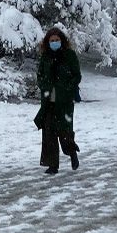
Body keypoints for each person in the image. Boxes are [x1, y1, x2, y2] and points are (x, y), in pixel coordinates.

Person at [35, 28, 82, 175]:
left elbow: (76, 75)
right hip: (49, 99)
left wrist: (67, 88)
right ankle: (52, 164)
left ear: (62, 41)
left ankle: (72, 152)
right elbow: (40, 75)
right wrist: (44, 86)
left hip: (64, 100)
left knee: (65, 130)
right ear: (47, 42)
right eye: (51, 40)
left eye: (56, 40)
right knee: (49, 130)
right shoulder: (45, 57)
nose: (54, 43)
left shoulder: (69, 55)